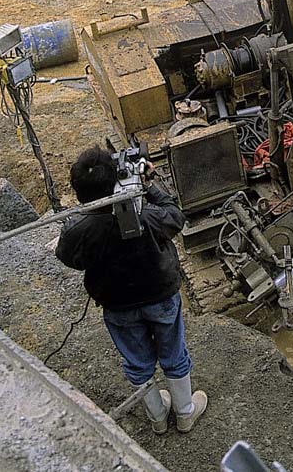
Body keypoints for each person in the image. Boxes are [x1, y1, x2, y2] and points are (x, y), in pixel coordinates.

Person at [55, 146, 208, 435]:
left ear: (79, 193)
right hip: (160, 296)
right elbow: (175, 216)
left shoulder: (79, 230)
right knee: (173, 353)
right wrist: (149, 187)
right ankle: (185, 412)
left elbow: (68, 258)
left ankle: (158, 417)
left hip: (117, 305)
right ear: (115, 180)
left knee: (137, 362)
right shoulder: (145, 218)